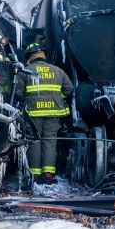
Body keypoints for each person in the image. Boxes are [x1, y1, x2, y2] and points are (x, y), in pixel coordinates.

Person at [15, 42, 74, 185]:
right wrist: (56, 97)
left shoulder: (25, 71)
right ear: (43, 56)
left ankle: (35, 176)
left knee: (34, 142)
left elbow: (18, 92)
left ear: (30, 57)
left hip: (33, 114)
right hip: (53, 113)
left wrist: (28, 100)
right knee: (50, 142)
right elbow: (69, 88)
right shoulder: (57, 70)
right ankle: (48, 174)